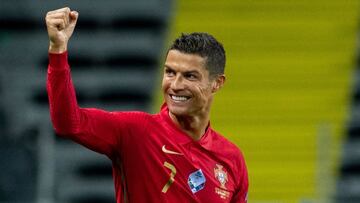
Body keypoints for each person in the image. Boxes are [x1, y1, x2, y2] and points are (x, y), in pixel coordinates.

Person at [45, 7, 248, 203]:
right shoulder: (136, 131)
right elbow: (68, 123)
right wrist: (58, 50)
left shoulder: (231, 158)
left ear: (217, 83)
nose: (175, 85)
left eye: (190, 76)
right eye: (170, 72)